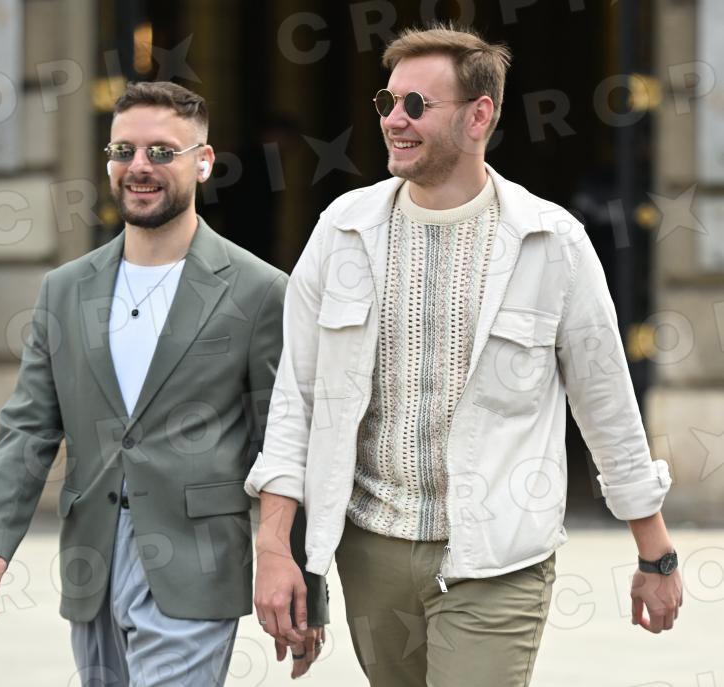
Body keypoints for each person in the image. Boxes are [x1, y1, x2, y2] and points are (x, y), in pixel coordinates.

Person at [246, 24, 682, 687]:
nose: (393, 119)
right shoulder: (341, 232)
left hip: (500, 557)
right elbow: (297, 402)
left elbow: (607, 404)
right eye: (386, 102)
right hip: (371, 553)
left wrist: (656, 553)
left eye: (415, 104)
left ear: (479, 116)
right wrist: (277, 546)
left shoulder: (552, 242)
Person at [0, 81, 327, 686]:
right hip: (92, 561)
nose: (138, 167)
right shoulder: (64, 288)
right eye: (123, 150)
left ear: (203, 162)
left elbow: (285, 443)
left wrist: (306, 587)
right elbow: (28, 426)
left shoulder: (259, 291)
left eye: (161, 151)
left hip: (198, 561)